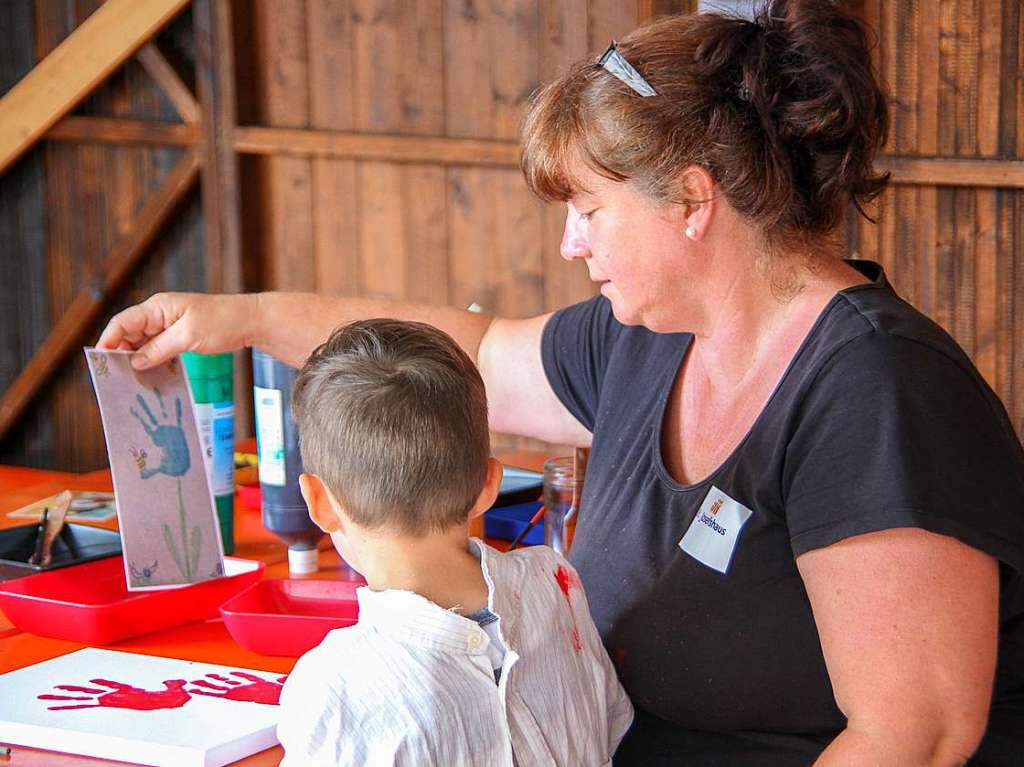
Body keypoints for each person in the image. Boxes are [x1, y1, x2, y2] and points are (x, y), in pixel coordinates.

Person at [98, 1, 1024, 764]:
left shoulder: (877, 392)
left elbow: (916, 735)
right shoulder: (651, 337)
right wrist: (244, 317)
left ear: (694, 202)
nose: (571, 243)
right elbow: (473, 353)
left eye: (588, 209)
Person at [275, 318, 632, 766]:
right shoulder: (556, 584)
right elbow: (613, 726)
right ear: (489, 485)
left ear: (318, 502)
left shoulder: (335, 689)